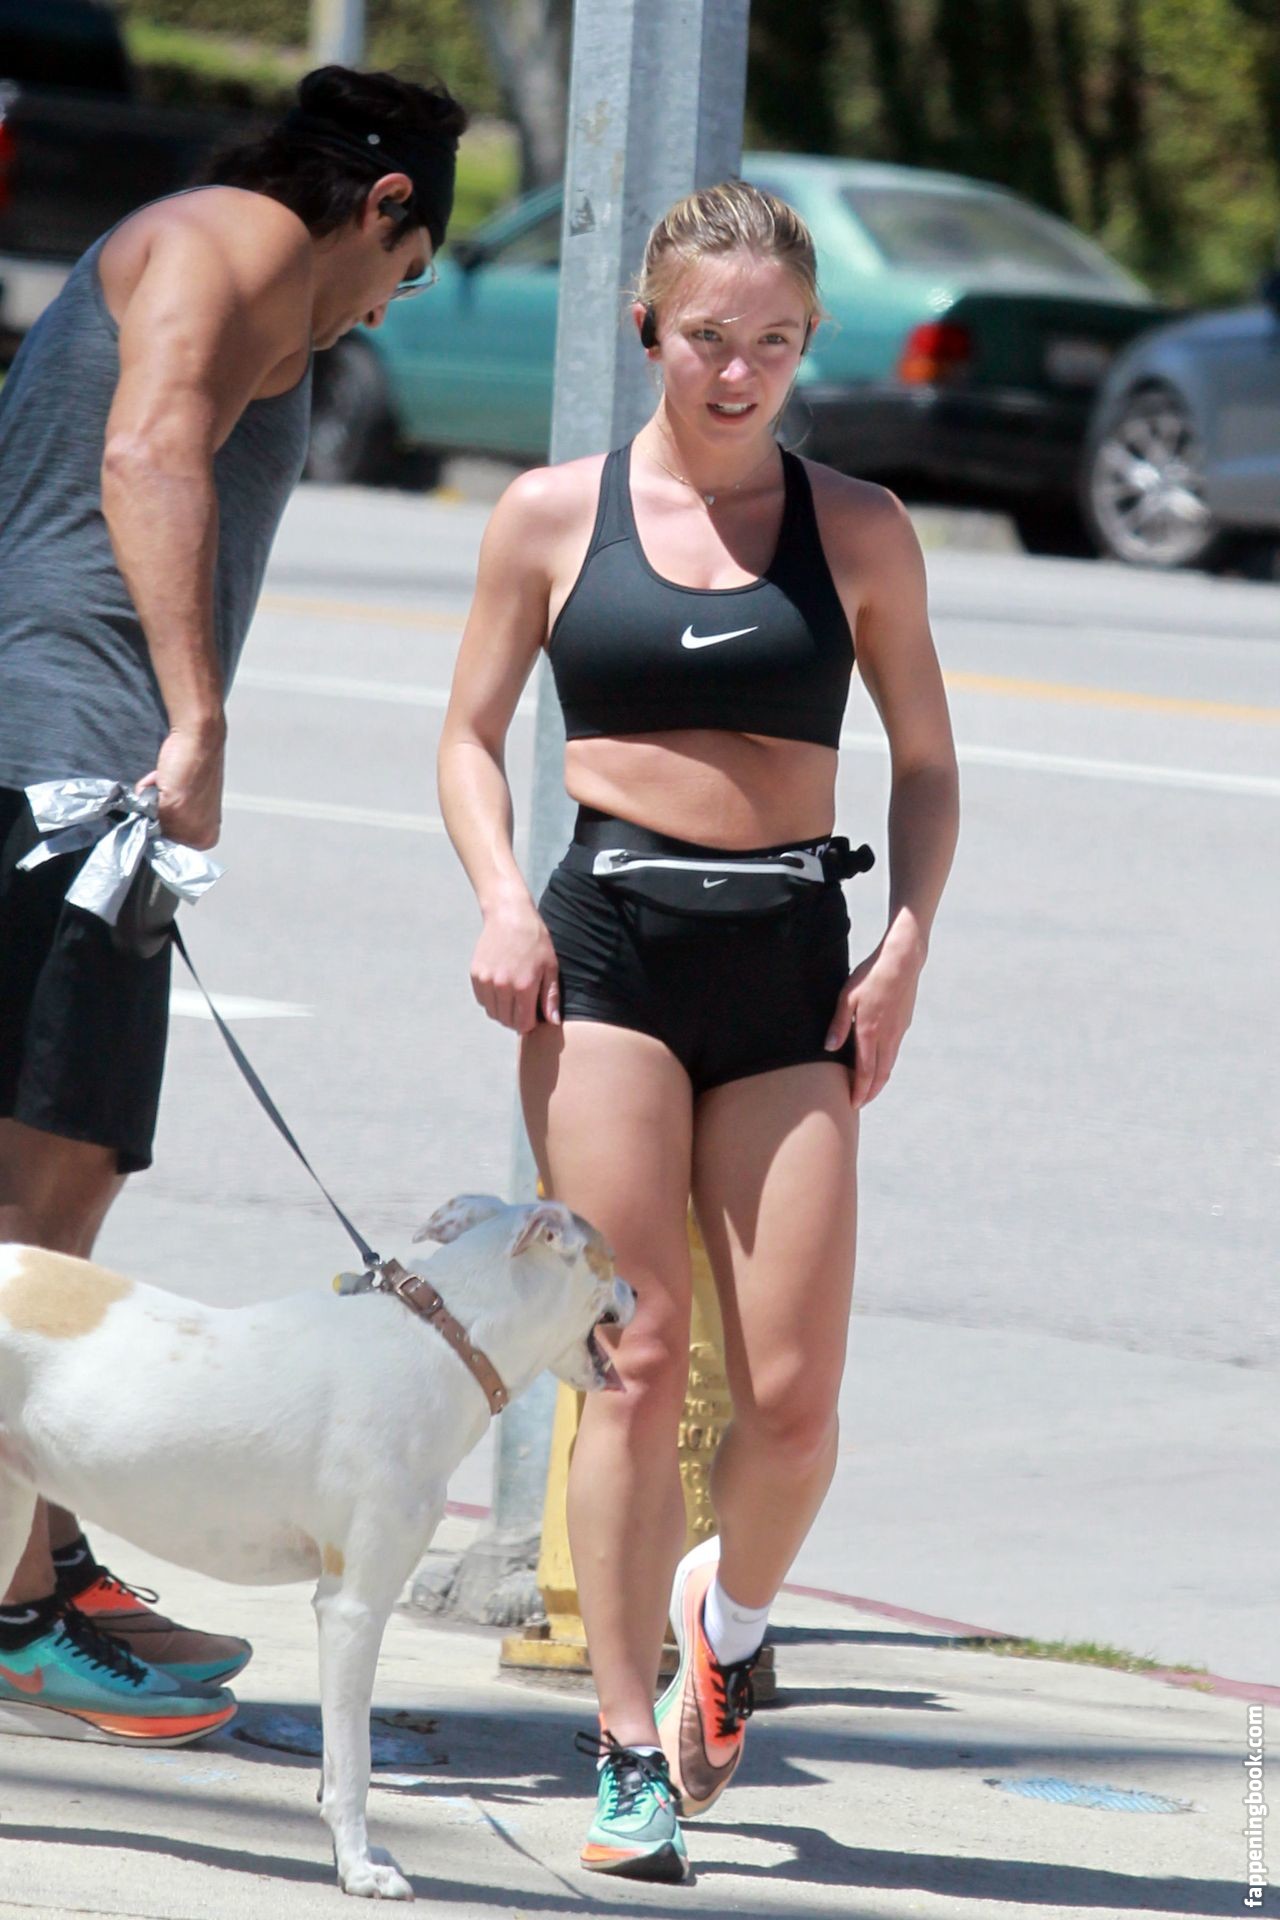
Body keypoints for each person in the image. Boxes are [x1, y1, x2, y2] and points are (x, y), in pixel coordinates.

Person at [439, 180, 959, 1881]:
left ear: (808, 346)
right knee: (637, 1357)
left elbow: (927, 762)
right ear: (647, 327)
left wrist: (903, 945)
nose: (739, 373)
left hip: (792, 961)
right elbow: (468, 735)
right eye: (711, 337)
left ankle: (723, 1627)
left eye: (776, 343)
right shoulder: (550, 516)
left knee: (794, 1402)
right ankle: (621, 1750)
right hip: (607, 953)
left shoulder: (859, 528)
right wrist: (502, 898)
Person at [0, 64, 466, 1746]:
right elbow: (147, 448)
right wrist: (195, 720)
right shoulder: (244, 244)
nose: (380, 312)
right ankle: (17, 1608)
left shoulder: (204, 245)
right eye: (403, 272)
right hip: (71, 766)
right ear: (384, 205)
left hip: (57, 758)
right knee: (43, 1190)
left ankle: (42, 1552)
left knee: (61, 1172)